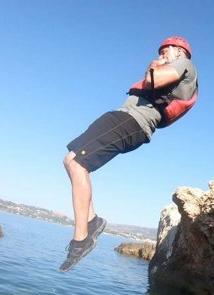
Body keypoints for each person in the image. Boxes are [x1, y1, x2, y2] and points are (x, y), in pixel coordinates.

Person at [60, 36, 198, 272]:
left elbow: (152, 80)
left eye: (166, 50)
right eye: (161, 51)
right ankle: (92, 221)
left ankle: (81, 238)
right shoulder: (176, 64)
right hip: (125, 118)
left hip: (131, 121)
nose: (162, 54)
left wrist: (156, 64)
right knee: (71, 160)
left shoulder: (185, 64)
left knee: (78, 165)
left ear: (178, 51)